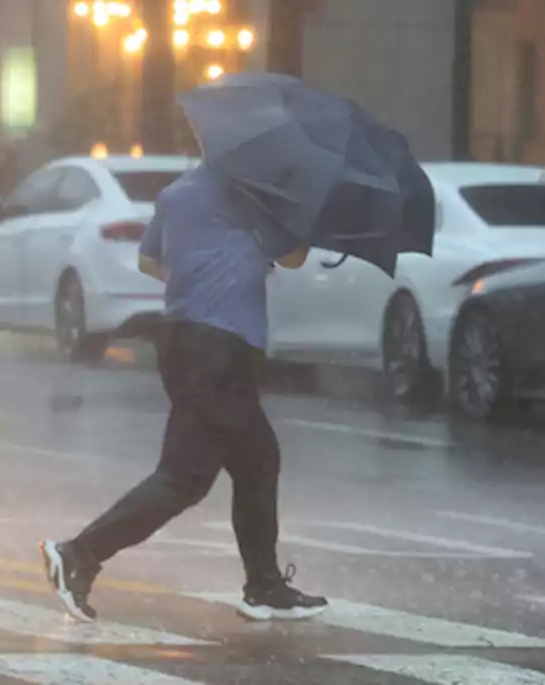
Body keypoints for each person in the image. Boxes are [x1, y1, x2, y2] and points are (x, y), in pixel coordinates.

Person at [39, 164, 329, 623]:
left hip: (185, 339)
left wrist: (210, 266)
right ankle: (78, 553)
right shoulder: (252, 191)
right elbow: (294, 256)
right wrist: (304, 215)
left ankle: (265, 585)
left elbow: (149, 262)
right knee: (183, 478)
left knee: (258, 461)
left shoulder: (179, 192)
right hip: (219, 347)